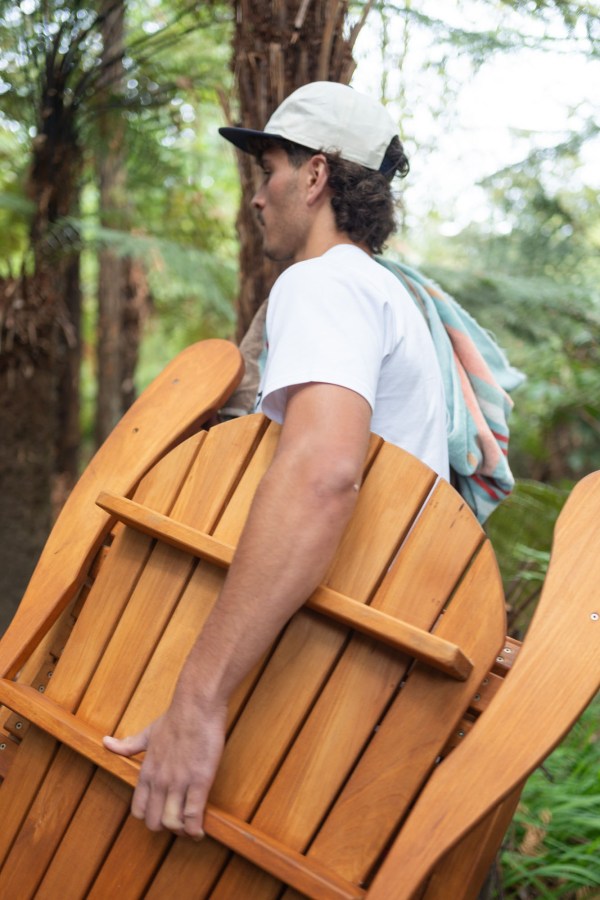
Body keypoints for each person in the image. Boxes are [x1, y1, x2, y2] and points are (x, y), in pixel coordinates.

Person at [103, 80, 449, 839]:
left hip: (327, 667)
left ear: (316, 175)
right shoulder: (383, 295)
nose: (258, 197)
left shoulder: (324, 283)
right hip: (370, 662)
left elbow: (322, 476)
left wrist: (197, 698)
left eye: (269, 172)